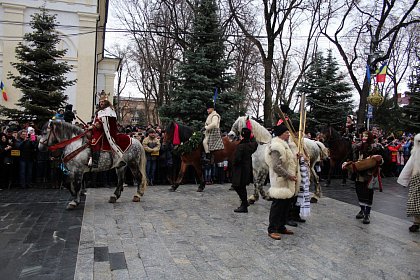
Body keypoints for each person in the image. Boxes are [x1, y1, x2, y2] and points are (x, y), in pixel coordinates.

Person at [266, 124, 299, 240]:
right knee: (278, 205)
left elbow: (287, 160)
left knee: (285, 205)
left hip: (287, 181)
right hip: (280, 181)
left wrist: (296, 157)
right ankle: (272, 229)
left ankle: (280, 226)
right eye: (286, 132)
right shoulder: (276, 146)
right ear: (280, 134)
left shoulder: (285, 145)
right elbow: (276, 166)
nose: (288, 134)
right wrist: (289, 176)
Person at [343, 130, 383, 224]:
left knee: (368, 194)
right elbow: (352, 159)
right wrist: (347, 163)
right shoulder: (357, 147)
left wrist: (377, 159)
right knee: (359, 192)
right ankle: (362, 210)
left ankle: (367, 214)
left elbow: (381, 160)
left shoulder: (375, 147)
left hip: (369, 175)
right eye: (363, 136)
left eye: (366, 136)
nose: (364, 138)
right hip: (358, 174)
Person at [89, 92, 125, 169]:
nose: (101, 103)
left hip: (105, 131)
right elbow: (95, 121)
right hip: (96, 129)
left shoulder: (109, 110)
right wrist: (92, 126)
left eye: (103, 102)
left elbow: (107, 123)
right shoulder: (98, 111)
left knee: (95, 141)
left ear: (106, 102)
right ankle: (89, 157)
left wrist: (97, 125)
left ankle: (95, 161)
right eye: (100, 102)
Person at [231, 127, 258, 213]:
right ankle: (244, 204)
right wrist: (251, 136)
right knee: (242, 187)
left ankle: (244, 204)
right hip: (247, 169)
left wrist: (233, 163)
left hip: (240, 171)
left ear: (242, 136)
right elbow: (255, 142)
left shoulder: (241, 147)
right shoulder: (252, 145)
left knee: (238, 186)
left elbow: (236, 159)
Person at [397, 133, 420, 232]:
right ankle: (416, 222)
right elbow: (409, 167)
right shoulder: (415, 153)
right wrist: (404, 179)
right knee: (415, 202)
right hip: (416, 180)